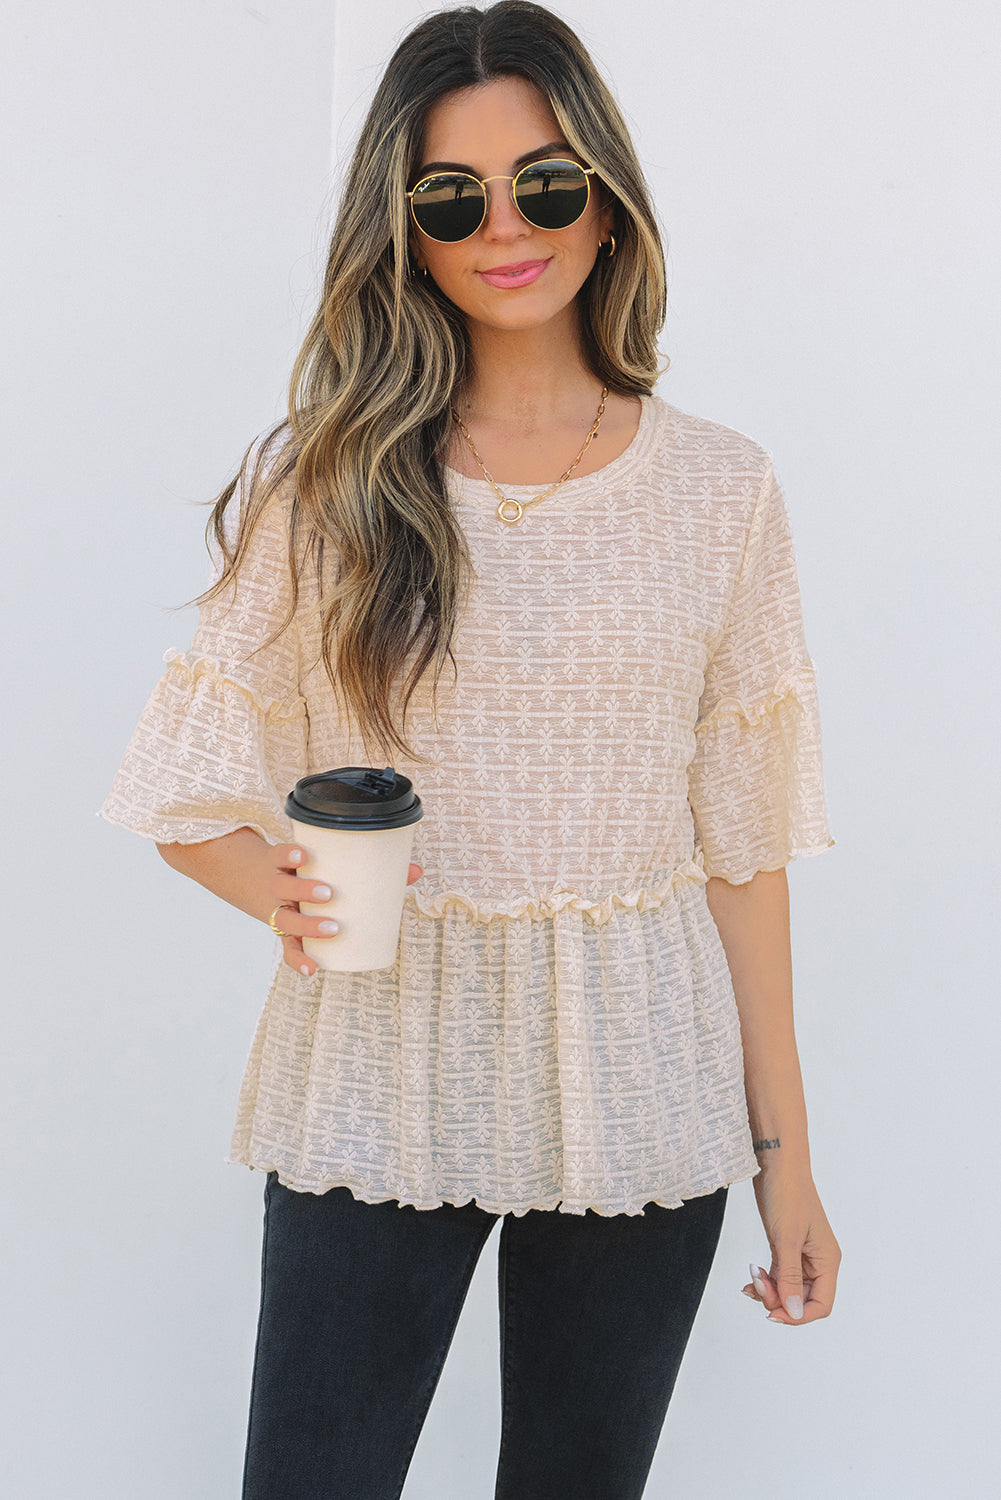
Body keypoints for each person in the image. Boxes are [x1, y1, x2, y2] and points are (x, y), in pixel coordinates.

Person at [101, 3, 842, 1496]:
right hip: (381, 1062)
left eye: (544, 183)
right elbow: (184, 790)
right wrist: (283, 894)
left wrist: (788, 1158)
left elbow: (744, 850)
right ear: (407, 230)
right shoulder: (328, 480)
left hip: (639, 1074)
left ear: (606, 200)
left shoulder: (722, 492)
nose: (506, 226)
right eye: (453, 198)